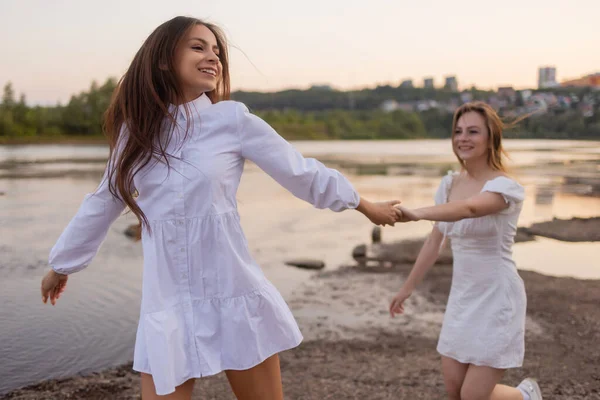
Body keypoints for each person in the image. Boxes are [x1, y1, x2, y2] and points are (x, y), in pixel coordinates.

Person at [40, 16, 400, 400]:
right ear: (163, 60)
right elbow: (105, 199)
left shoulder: (231, 120)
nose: (213, 58)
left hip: (234, 293)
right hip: (168, 304)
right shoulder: (136, 132)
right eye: (199, 47)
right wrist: (62, 264)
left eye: (217, 52)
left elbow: (301, 172)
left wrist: (364, 205)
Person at [389, 102, 543, 400]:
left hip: (497, 296)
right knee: (455, 391)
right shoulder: (449, 184)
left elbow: (470, 209)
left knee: (473, 396)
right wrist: (407, 288)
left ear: (490, 139)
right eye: (458, 131)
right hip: (463, 296)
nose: (463, 138)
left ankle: (526, 397)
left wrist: (419, 212)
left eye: (473, 131)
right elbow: (435, 242)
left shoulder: (505, 187)